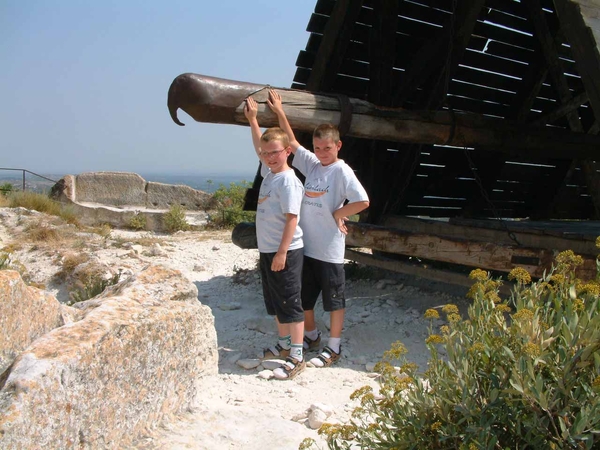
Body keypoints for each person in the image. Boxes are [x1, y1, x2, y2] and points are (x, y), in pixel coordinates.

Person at [267, 89, 370, 368]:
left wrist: (339, 212)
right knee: (304, 298)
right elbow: (292, 142)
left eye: (327, 148)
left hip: (329, 249)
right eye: (318, 148)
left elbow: (362, 200)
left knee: (334, 300)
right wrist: (279, 112)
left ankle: (334, 347)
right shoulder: (313, 166)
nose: (322, 153)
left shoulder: (341, 171)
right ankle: (311, 336)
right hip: (307, 247)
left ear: (338, 146)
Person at [244, 96, 306, 380]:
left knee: (290, 302)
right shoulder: (269, 174)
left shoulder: (288, 181)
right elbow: (259, 146)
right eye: (266, 154)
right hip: (268, 249)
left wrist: (282, 253)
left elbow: (292, 219)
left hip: (286, 251)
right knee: (275, 301)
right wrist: (253, 120)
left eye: (275, 153)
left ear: (288, 152)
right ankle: (283, 344)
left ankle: (297, 354)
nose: (269, 157)